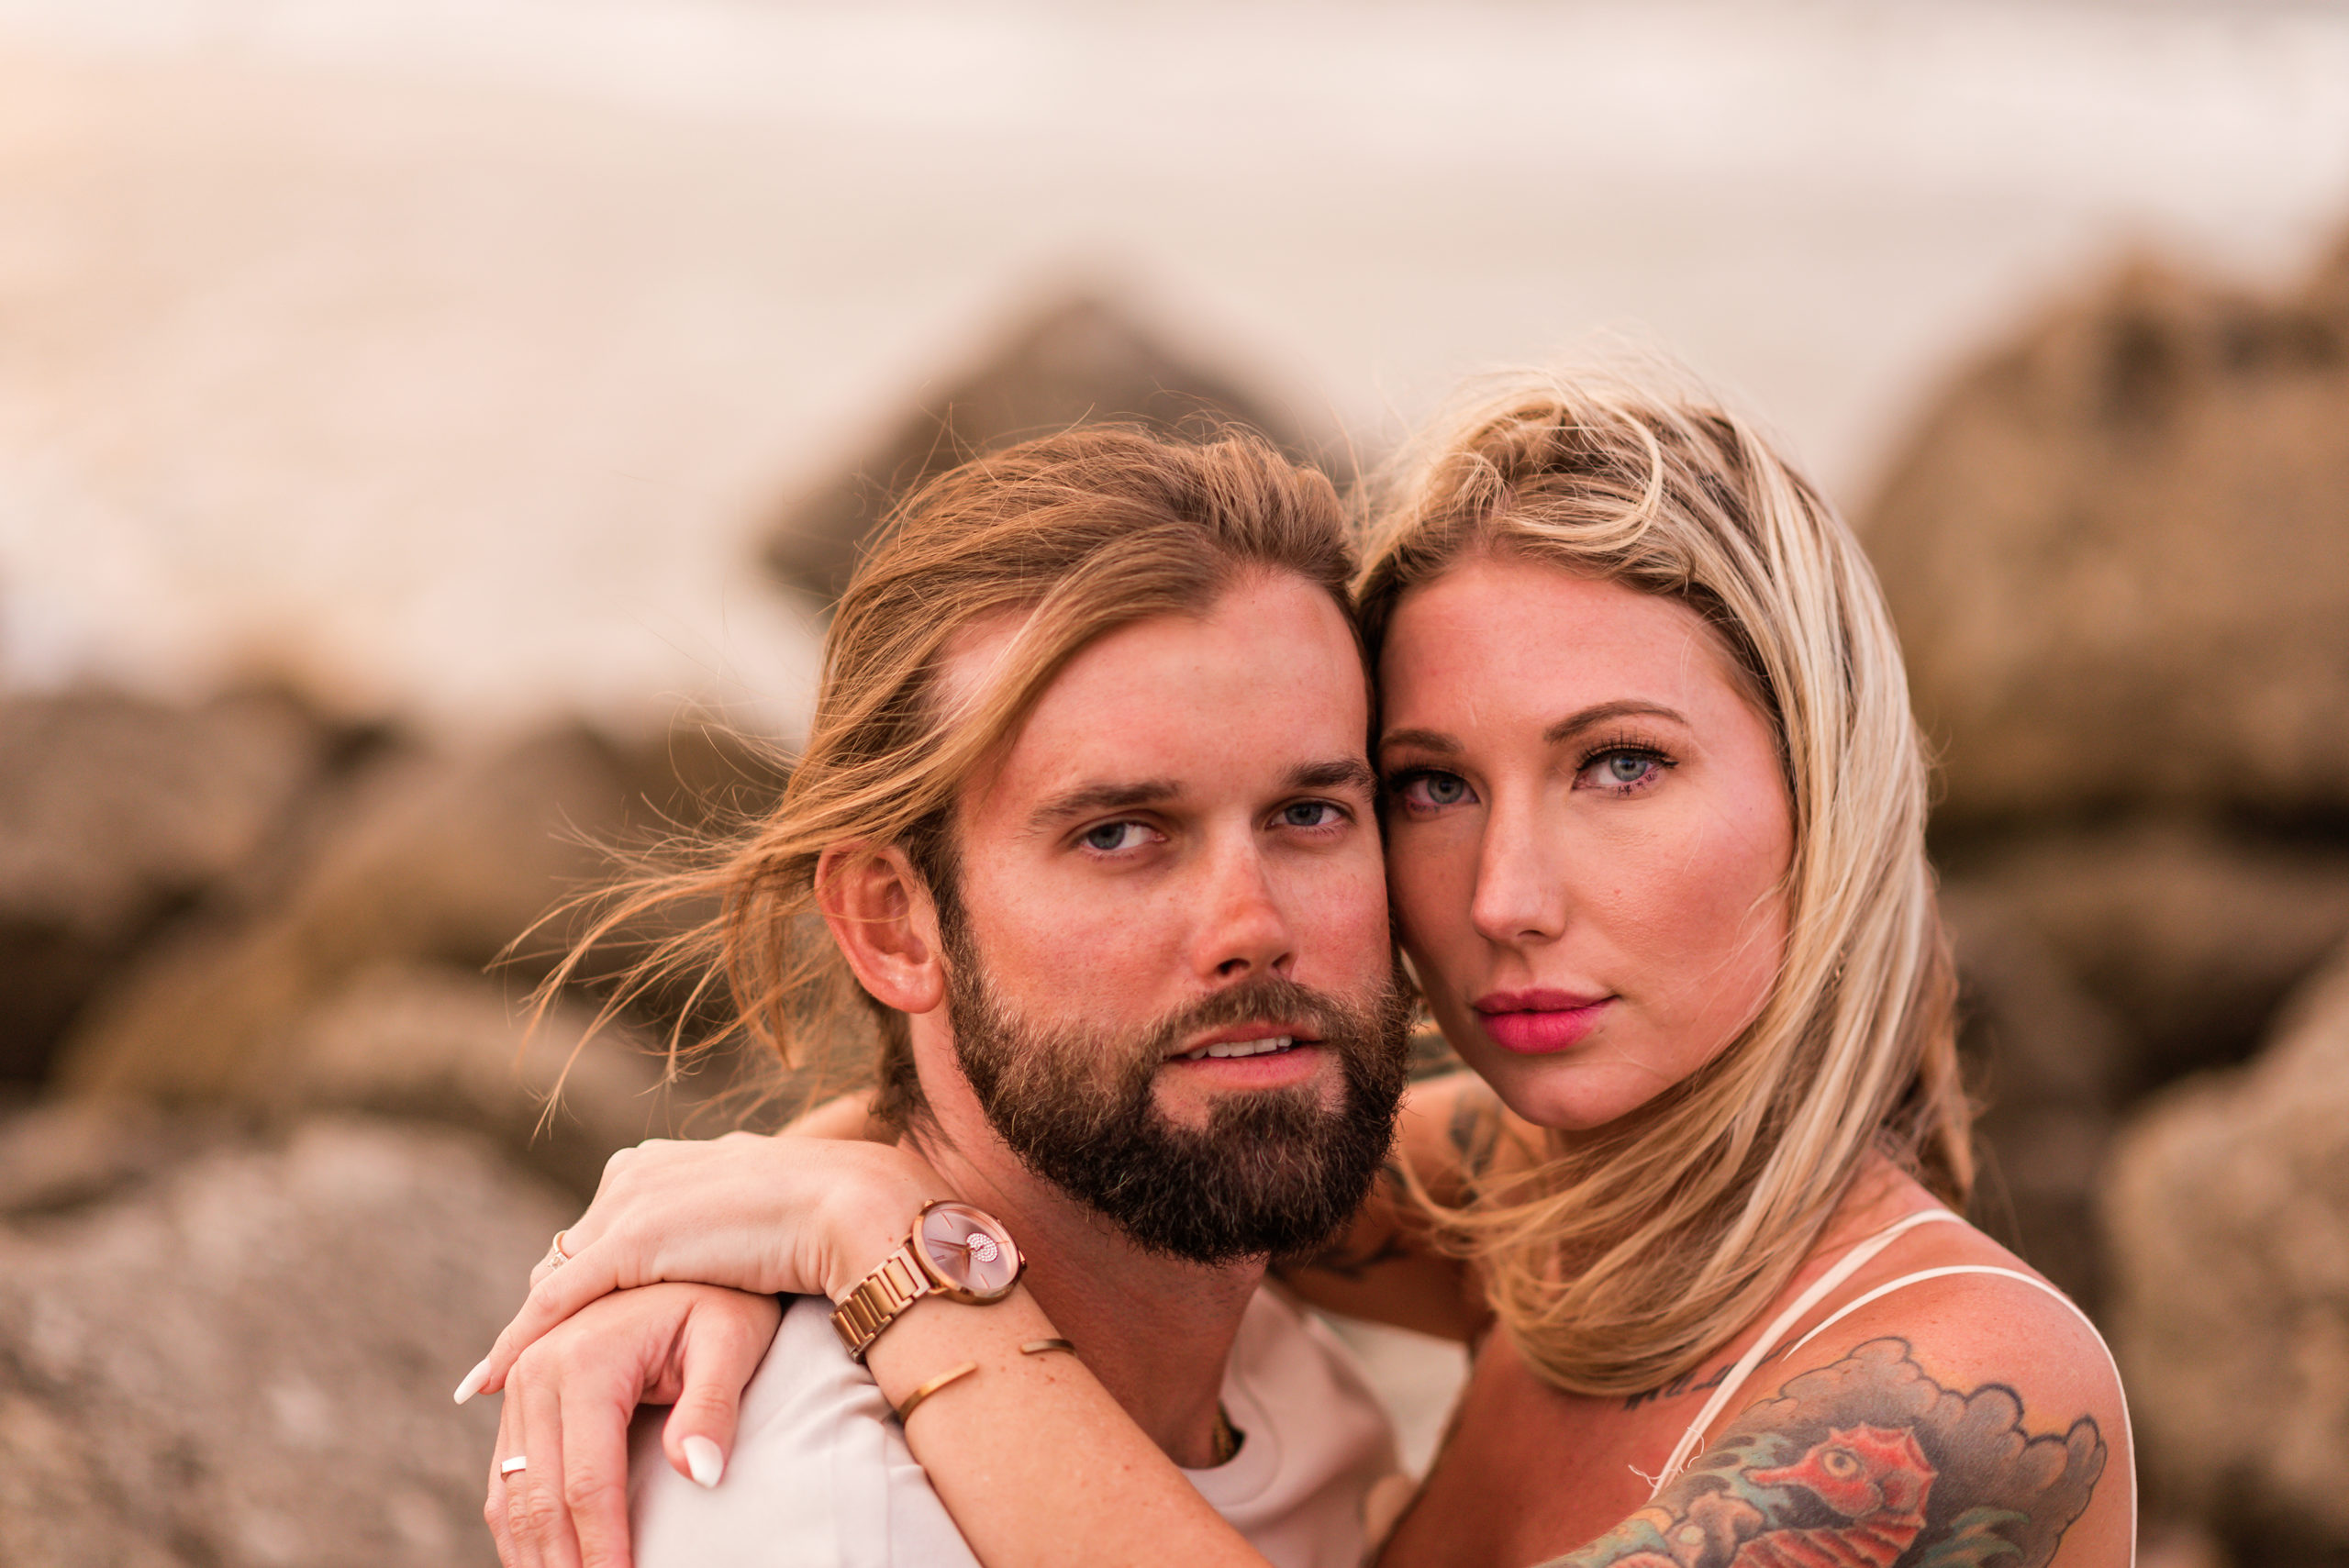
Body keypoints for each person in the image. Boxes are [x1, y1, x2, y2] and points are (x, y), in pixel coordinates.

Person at [473, 373, 2135, 1568]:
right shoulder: (1548, 1208)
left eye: (1620, 763)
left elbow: (983, 1202)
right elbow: (1108, 1126)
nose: (1506, 892)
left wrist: (898, 1269)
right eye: (1427, 783)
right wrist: (734, 1226)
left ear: (1827, 796)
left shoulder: (1970, 1394)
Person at [461, 426, 1421, 1566]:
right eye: (1117, 832)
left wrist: (861, 1221)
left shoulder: (1275, 1363)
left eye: (1310, 813)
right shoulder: (818, 1515)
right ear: (894, 923)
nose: (1252, 926)